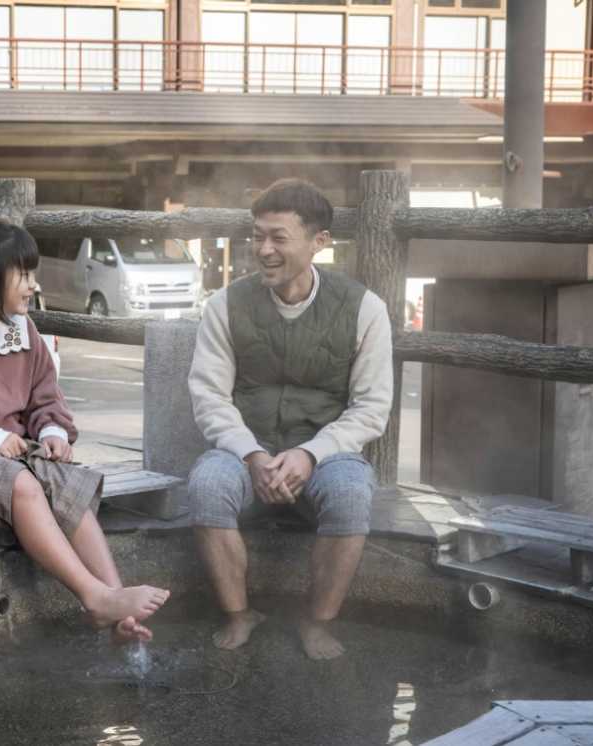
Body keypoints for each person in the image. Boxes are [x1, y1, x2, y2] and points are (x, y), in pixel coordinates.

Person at [0, 218, 170, 643]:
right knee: (22, 483)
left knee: (66, 480)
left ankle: (116, 603)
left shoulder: (22, 329)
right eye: (23, 274)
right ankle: (93, 597)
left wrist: (52, 433)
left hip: (15, 455)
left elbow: (45, 395)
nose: (33, 284)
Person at [188, 179, 392, 659]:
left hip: (327, 455)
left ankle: (317, 621)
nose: (264, 250)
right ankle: (239, 614)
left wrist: (310, 454)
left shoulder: (365, 308)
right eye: (257, 236)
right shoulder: (224, 305)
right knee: (206, 485)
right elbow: (209, 397)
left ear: (320, 241)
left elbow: (371, 407)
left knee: (350, 493)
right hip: (245, 452)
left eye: (278, 238)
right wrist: (252, 454)